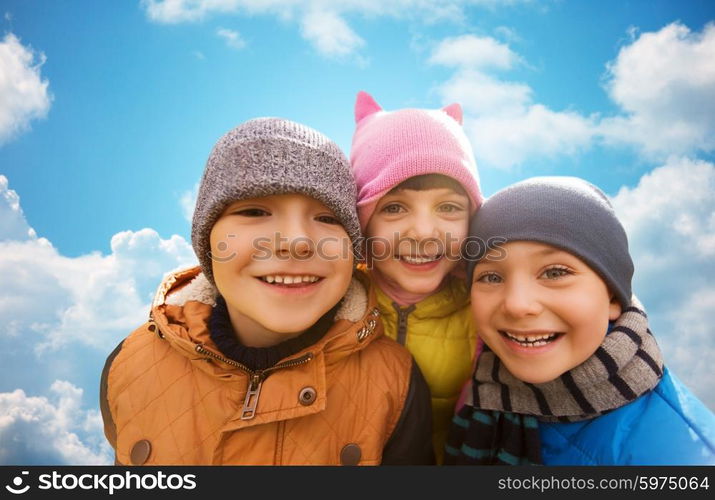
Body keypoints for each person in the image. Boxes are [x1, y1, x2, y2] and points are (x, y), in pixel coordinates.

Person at [100, 118, 434, 465]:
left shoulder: (395, 383)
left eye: (327, 218)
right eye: (254, 211)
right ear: (207, 240)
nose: (296, 242)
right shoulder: (130, 364)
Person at [445, 176, 715, 465]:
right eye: (491, 277)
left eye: (554, 273)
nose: (517, 305)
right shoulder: (484, 389)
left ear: (612, 296)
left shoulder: (681, 455)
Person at [350, 91, 483, 461]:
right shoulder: (331, 305)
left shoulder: (491, 313)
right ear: (362, 222)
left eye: (448, 207)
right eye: (394, 207)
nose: (425, 232)